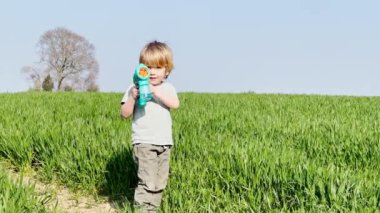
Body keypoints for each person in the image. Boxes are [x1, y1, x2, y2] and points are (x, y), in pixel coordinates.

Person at [120, 40, 180, 212]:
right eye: (148, 67)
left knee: (160, 182)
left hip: (165, 143)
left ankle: (152, 209)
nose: (153, 72)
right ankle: (141, 210)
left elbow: (175, 104)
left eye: (158, 67)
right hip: (144, 142)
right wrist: (132, 97)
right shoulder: (134, 88)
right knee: (147, 181)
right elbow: (124, 114)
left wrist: (156, 92)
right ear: (141, 69)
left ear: (167, 70)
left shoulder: (168, 88)